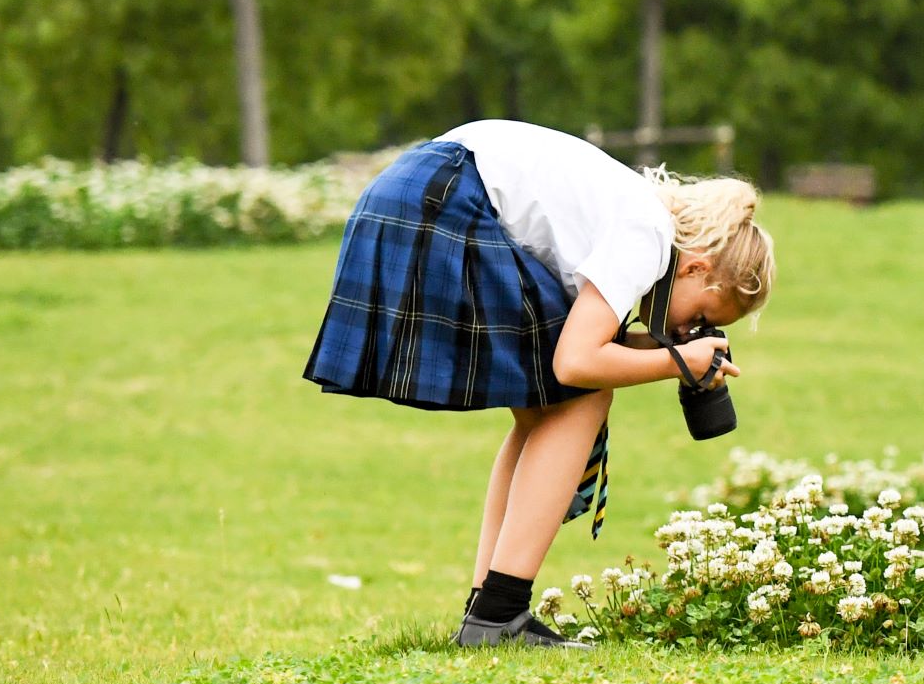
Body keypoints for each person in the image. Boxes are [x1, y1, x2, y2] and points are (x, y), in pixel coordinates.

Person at [305, 119, 773, 648]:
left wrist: (675, 354)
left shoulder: (632, 214)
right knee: (580, 395)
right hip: (446, 199)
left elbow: (579, 353)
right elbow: (576, 365)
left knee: (545, 406)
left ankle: (487, 613)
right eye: (704, 316)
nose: (691, 331)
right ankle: (498, 615)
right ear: (696, 269)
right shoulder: (648, 234)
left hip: (418, 188)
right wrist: (676, 361)